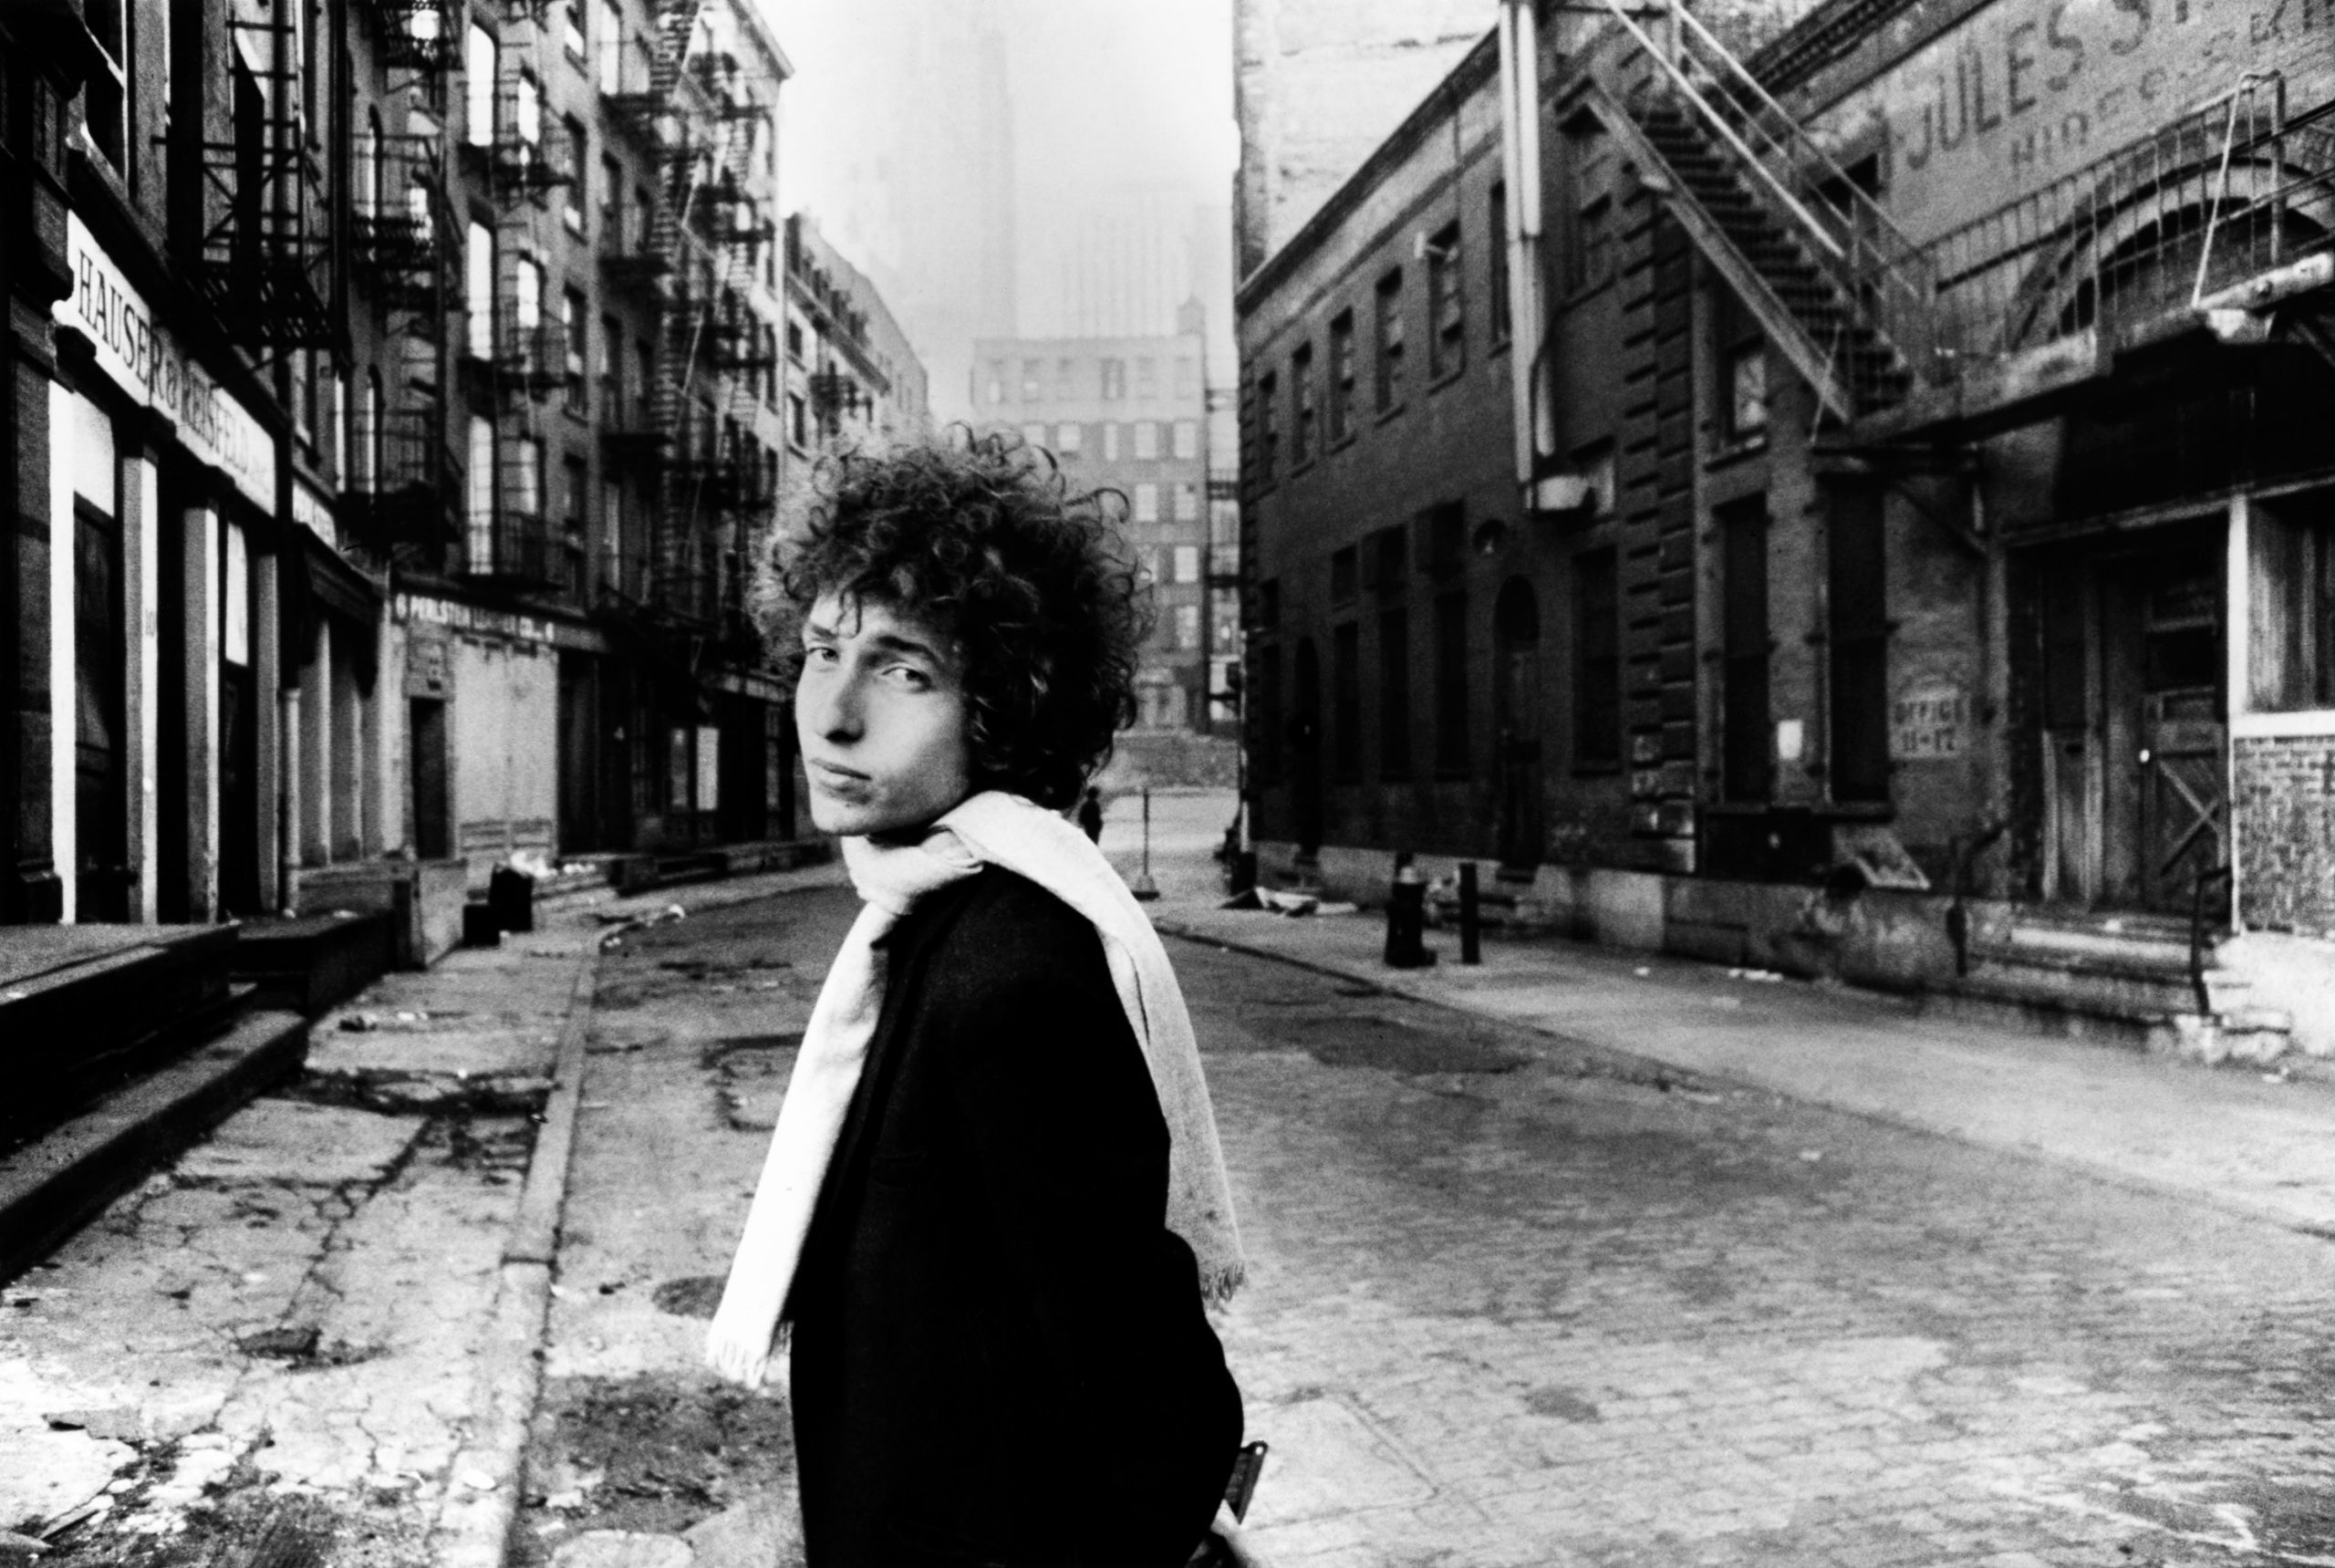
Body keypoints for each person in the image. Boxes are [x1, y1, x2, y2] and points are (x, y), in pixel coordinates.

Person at [707, 434, 1255, 1568]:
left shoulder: (1012, 975)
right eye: (821, 653)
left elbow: (1144, 1388)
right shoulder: (924, 915)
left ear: (1007, 704)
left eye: (902, 670)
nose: (832, 713)